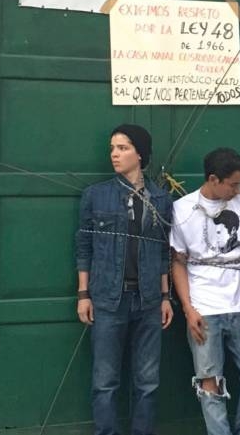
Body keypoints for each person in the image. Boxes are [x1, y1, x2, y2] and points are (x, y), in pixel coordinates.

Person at [75, 124, 174, 435]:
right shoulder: (96, 195)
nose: (114, 155)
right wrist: (83, 294)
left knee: (148, 382)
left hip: (148, 301)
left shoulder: (160, 198)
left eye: (123, 148)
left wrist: (165, 297)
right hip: (108, 299)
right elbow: (84, 246)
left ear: (139, 153)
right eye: (112, 149)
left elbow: (163, 251)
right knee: (105, 381)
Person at [169, 147, 240, 435]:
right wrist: (188, 309)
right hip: (204, 307)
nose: (238, 190)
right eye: (233, 184)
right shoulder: (183, 209)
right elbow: (178, 261)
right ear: (213, 179)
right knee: (209, 380)